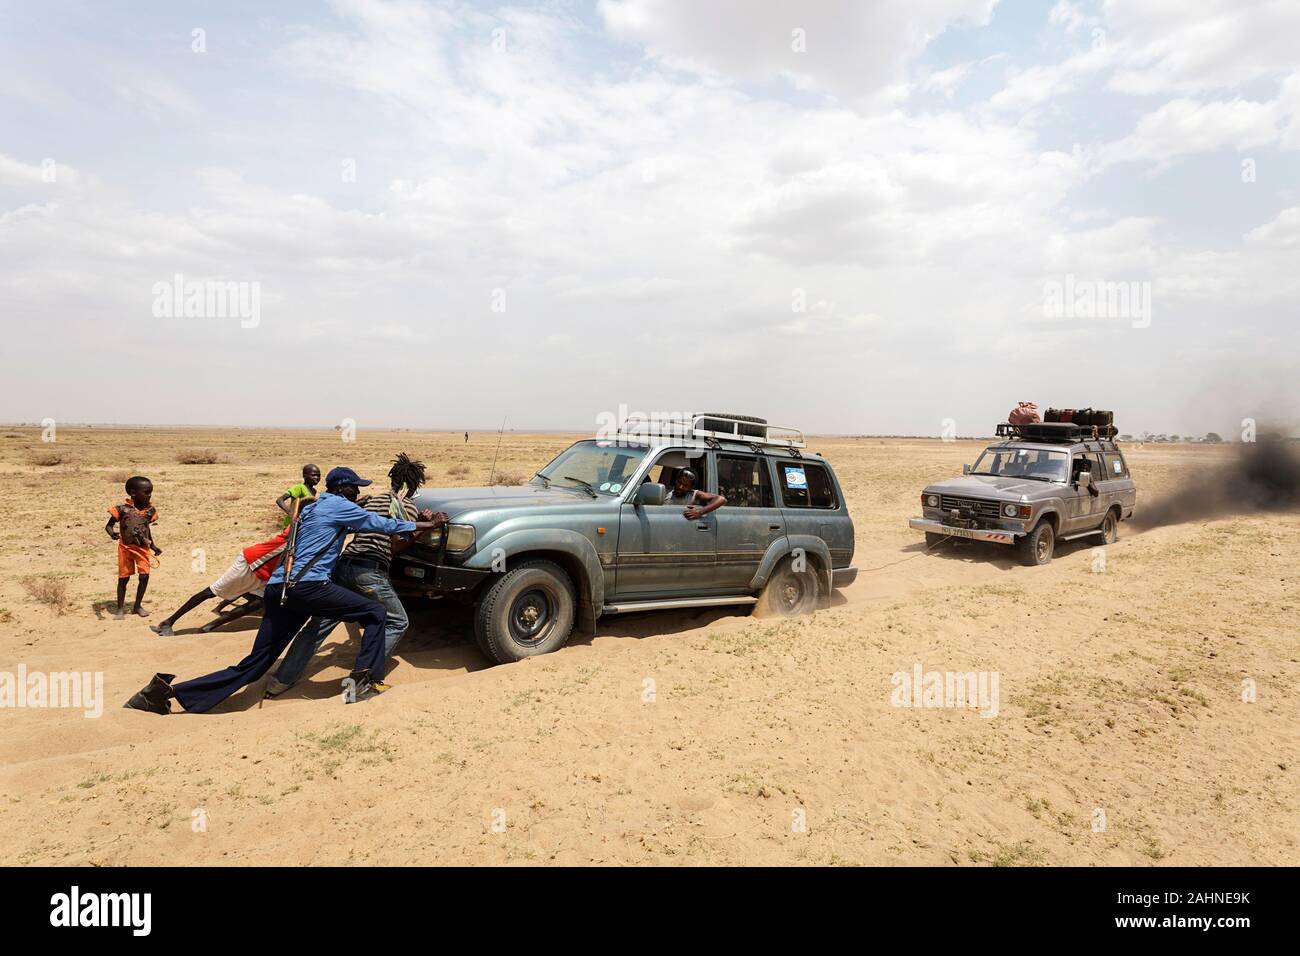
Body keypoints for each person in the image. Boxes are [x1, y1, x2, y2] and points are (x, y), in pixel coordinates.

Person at [123, 466, 447, 715]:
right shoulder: (340, 506)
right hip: (308, 587)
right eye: (354, 488)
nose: (357, 492)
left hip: (280, 590)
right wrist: (427, 525)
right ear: (343, 488)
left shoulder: (311, 508)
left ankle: (164, 694)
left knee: (255, 663)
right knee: (376, 613)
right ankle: (362, 683)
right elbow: (384, 525)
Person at [264, 453, 444, 698]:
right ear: (413, 486)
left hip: (343, 565)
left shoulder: (372, 500)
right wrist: (424, 527)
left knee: (319, 625)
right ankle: (362, 680)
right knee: (397, 621)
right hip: (369, 572)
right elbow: (395, 546)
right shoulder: (407, 507)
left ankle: (281, 681)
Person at [149, 528, 290, 637]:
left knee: (258, 602)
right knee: (212, 591)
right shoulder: (298, 526)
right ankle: (168, 622)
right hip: (253, 562)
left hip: (268, 573)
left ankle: (208, 627)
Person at [106, 476, 162, 620]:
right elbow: (108, 526)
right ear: (133, 493)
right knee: (123, 578)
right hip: (125, 548)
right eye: (146, 492)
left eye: (150, 492)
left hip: (143, 548)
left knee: (144, 576)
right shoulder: (122, 509)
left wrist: (153, 545)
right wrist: (112, 534)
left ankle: (137, 606)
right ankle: (120, 609)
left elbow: (147, 529)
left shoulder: (150, 511)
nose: (149, 495)